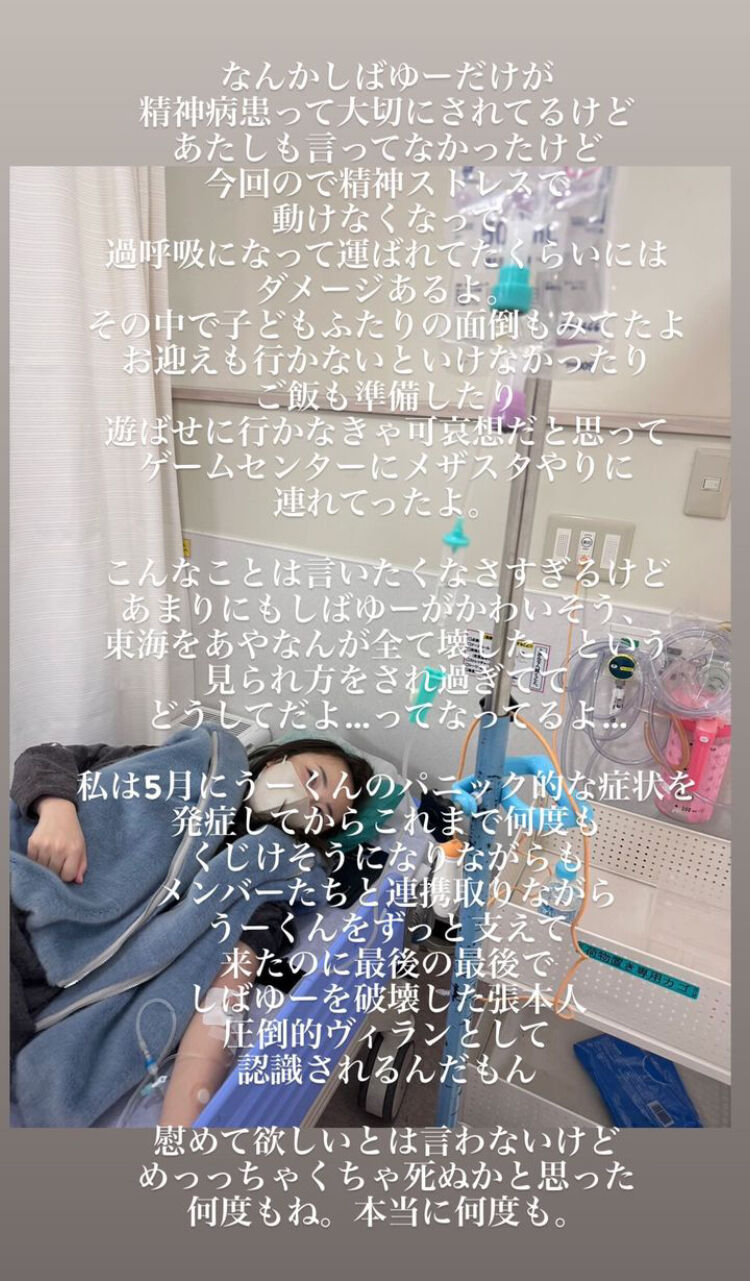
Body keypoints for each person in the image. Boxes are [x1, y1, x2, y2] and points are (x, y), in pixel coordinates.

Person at [10, 729, 389, 1126]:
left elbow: (226, 998)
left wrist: (183, 1126)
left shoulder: (269, 878)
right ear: (279, 759)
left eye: (322, 812)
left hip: (37, 960)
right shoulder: (192, 759)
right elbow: (47, 755)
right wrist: (57, 812)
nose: (307, 800)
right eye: (312, 777)